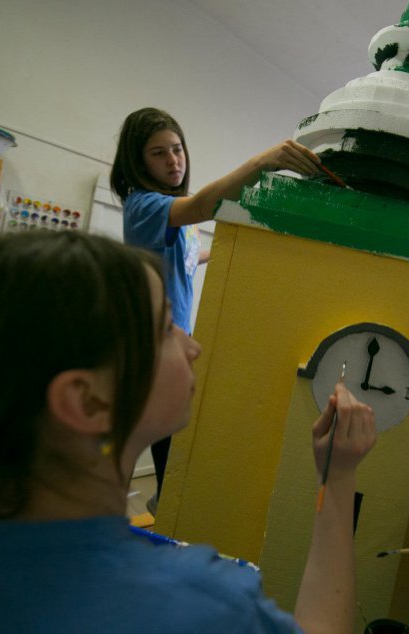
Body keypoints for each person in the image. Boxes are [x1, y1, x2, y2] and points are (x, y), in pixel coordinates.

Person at [0, 231, 376, 633]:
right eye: (164, 326)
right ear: (87, 400)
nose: (190, 346)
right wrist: (339, 477)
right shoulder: (196, 605)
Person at [110, 107, 323, 507]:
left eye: (177, 149)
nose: (173, 161)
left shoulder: (173, 215)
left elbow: (190, 256)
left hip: (171, 344)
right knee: (159, 443)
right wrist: (263, 162)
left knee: (168, 442)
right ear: (136, 161)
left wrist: (244, 245)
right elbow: (204, 204)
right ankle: (151, 511)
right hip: (149, 348)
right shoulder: (145, 206)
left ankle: (162, 505)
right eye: (158, 153)